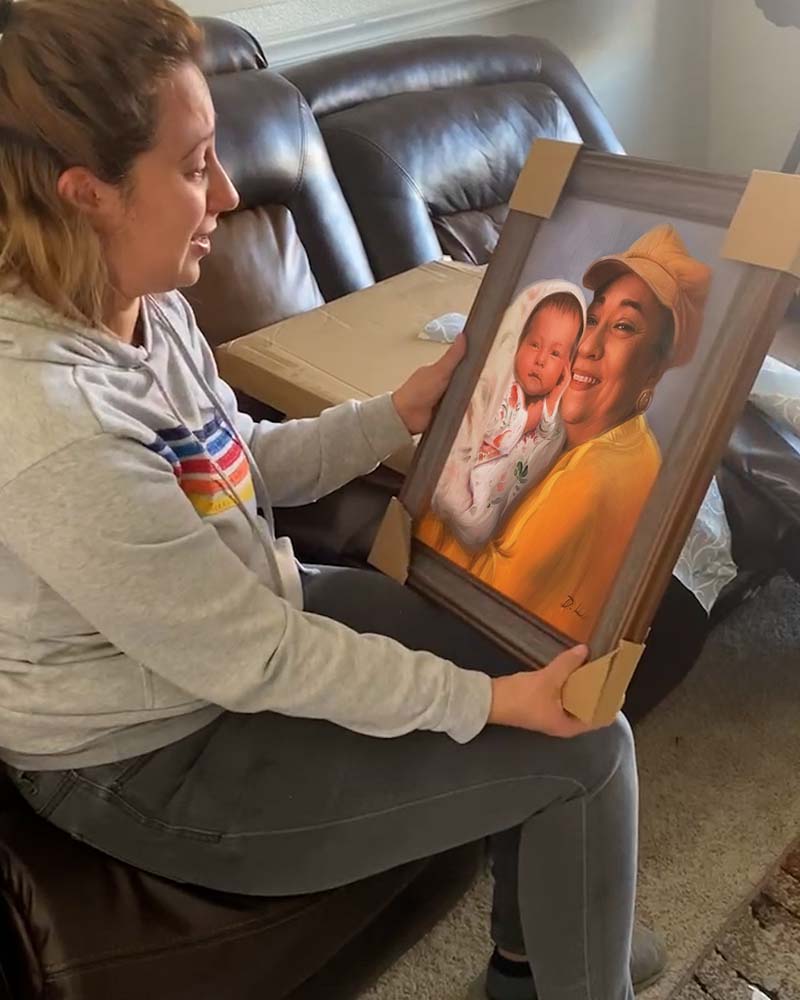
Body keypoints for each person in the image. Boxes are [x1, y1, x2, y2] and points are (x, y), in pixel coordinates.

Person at [0, 3, 660, 999]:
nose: (225, 192)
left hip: (246, 618)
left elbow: (239, 464)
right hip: (146, 756)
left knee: (540, 651)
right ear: (86, 194)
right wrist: (482, 706)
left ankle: (538, 958)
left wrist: (397, 412)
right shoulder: (50, 425)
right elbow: (254, 659)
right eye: (193, 166)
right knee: (578, 739)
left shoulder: (146, 305)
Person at [419, 225, 713, 643]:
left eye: (624, 327)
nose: (588, 344)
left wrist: (431, 502)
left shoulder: (594, 476)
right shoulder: (591, 437)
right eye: (593, 319)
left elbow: (477, 598)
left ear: (657, 365)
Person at [432, 280, 585, 549]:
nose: (540, 359)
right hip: (469, 475)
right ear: (517, 342)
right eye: (534, 344)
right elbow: (496, 430)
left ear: (566, 367)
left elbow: (546, 441)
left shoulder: (550, 409)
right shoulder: (504, 385)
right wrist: (531, 418)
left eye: (555, 353)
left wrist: (551, 402)